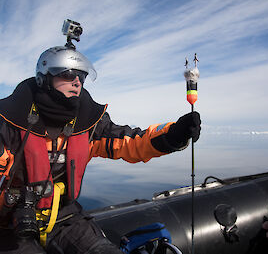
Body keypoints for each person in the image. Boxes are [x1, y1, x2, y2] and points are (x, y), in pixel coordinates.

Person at [0, 43, 201, 253]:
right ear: (44, 78)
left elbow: (130, 142)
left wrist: (174, 134)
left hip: (65, 218)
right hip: (8, 225)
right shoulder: (7, 122)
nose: (77, 82)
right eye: (68, 74)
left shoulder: (89, 122)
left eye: (81, 76)